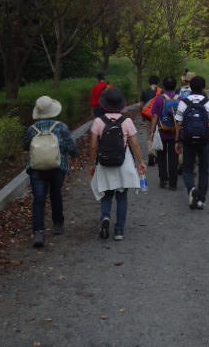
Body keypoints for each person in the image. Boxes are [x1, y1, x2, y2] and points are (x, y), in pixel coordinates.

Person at [90, 88, 147, 241]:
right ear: (121, 105)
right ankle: (119, 230)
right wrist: (141, 162)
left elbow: (94, 146)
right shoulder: (127, 122)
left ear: (104, 104)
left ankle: (105, 217)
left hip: (104, 163)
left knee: (106, 194)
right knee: (122, 197)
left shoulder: (98, 122)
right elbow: (135, 144)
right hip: (123, 163)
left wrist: (93, 164)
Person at [24, 95, 78, 248]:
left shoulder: (31, 130)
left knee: (38, 199)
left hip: (37, 168)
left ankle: (38, 232)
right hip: (57, 167)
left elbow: (26, 146)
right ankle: (58, 224)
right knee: (56, 194)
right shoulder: (61, 127)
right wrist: (74, 155)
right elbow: (71, 146)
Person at [174, 75, 209, 210]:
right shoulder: (208, 103)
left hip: (188, 140)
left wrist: (177, 141)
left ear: (190, 87)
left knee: (187, 169)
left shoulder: (183, 102)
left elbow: (178, 124)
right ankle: (200, 200)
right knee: (204, 170)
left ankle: (192, 189)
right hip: (205, 140)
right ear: (203, 87)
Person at [150, 77, 179, 190]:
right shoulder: (180, 99)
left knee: (161, 157)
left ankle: (163, 180)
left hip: (162, 132)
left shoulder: (159, 99)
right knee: (174, 158)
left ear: (163, 86)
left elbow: (155, 116)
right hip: (175, 133)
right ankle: (173, 183)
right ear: (175, 86)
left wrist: (152, 132)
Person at [140, 74, 161, 166]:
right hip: (159, 118)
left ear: (149, 82)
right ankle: (158, 154)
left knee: (149, 135)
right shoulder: (161, 92)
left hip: (148, 117)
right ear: (158, 82)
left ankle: (150, 153)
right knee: (158, 135)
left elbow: (141, 106)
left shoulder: (145, 92)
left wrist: (142, 115)